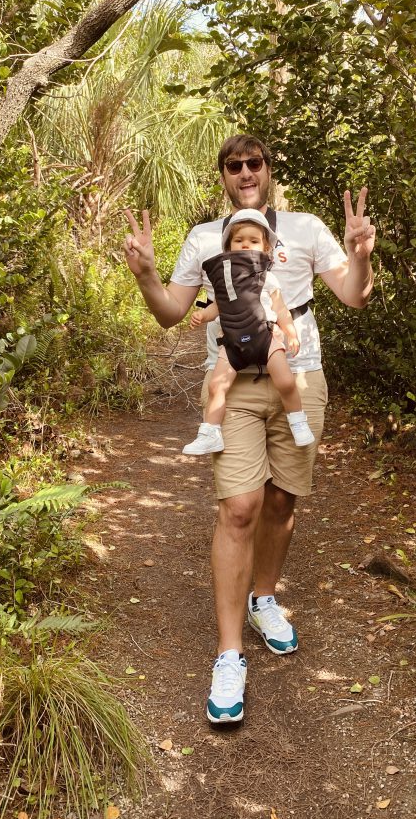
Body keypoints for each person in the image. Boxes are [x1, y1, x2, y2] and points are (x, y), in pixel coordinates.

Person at [123, 133, 375, 725]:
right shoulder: (206, 239)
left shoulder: (309, 228)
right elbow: (170, 312)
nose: (244, 171)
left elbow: (354, 296)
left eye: (253, 163)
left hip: (299, 375)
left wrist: (361, 253)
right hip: (234, 383)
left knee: (283, 501)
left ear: (268, 171)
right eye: (233, 165)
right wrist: (146, 274)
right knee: (240, 505)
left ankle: (266, 597)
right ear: (224, 175)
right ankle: (229, 653)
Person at [183, 208, 315, 455]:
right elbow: (218, 306)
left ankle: (298, 421)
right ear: (228, 248)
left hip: (265, 338)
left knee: (285, 381)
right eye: (239, 240)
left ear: (266, 249)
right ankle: (210, 432)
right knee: (216, 387)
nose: (245, 245)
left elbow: (281, 308)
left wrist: (291, 332)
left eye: (253, 241)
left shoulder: (267, 279)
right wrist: (203, 315)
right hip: (233, 343)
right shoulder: (225, 280)